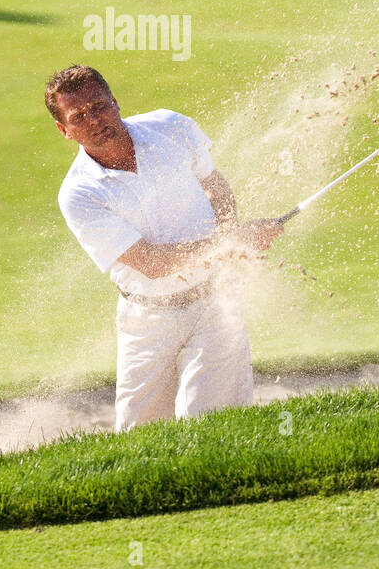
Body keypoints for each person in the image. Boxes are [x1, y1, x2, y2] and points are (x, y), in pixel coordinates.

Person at [46, 64, 284, 431]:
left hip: (215, 304)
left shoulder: (170, 127)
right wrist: (230, 243)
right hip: (147, 320)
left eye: (99, 105)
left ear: (115, 101)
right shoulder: (80, 194)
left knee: (211, 427)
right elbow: (152, 263)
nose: (94, 119)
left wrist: (230, 237)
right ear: (64, 130)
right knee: (139, 436)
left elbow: (215, 186)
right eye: (79, 116)